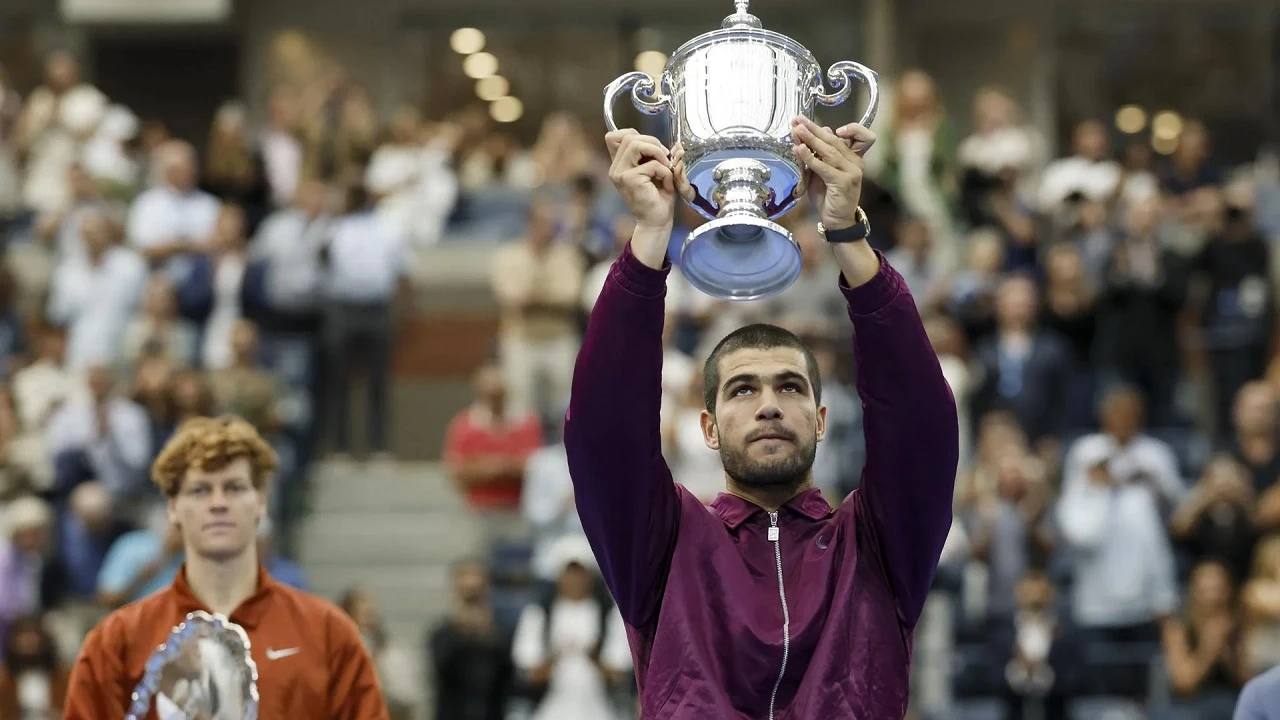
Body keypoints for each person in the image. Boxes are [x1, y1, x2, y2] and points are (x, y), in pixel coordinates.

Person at [565, 117, 958, 719]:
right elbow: (604, 431)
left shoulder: (874, 546)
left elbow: (921, 427)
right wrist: (649, 237)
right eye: (743, 389)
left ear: (822, 420)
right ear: (709, 427)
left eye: (791, 387)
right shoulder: (664, 546)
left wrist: (847, 232)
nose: (770, 403)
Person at [63, 415, 389, 719]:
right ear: (174, 507)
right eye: (200, 490)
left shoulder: (328, 633)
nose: (218, 503)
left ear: (260, 501)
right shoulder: (117, 641)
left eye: (234, 487)